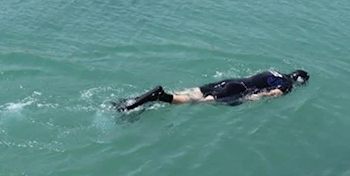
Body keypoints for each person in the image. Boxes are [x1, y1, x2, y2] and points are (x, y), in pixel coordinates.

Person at [114, 69, 310, 112]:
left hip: (231, 81)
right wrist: (248, 99)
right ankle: (160, 96)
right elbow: (270, 93)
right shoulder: (287, 85)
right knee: (197, 102)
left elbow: (253, 77)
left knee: (192, 92)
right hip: (237, 90)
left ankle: (131, 101)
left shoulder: (273, 71)